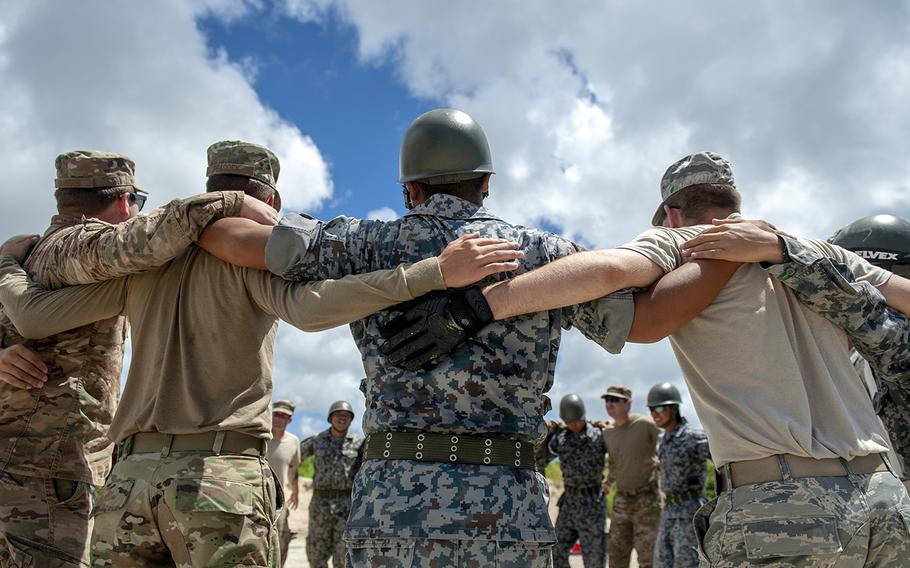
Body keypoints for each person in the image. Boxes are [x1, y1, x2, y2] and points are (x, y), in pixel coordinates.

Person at [196, 110, 745, 566]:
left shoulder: (362, 245)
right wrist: (721, 242)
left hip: (393, 503)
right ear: (486, 184)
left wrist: (215, 206)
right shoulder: (546, 257)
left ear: (409, 188)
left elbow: (244, 242)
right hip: (509, 507)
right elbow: (648, 322)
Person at [0, 140, 515, 567]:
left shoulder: (142, 264)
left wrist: (8, 266)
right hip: (216, 482)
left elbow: (35, 317)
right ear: (266, 196)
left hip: (128, 483)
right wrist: (434, 273)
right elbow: (313, 308)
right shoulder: (247, 258)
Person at [383, 150, 910, 564]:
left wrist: (478, 306)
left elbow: (611, 274)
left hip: (784, 505)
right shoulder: (807, 249)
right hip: (884, 497)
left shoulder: (687, 242)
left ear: (673, 212)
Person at [0, 149, 275, 566]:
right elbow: (146, 240)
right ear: (124, 201)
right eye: (137, 204)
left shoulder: (26, 257)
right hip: (50, 466)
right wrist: (231, 202)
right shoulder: (80, 248)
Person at [683, 214, 910, 491]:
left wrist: (778, 249)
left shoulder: (894, 342)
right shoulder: (855, 364)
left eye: (855, 274)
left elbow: (859, 309)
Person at [647, 382, 709, 568]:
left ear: (673, 408)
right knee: (661, 563)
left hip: (690, 513)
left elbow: (723, 462)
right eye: (651, 409)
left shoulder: (694, 437)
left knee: (687, 564)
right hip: (668, 512)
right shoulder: (663, 440)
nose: (654, 414)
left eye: (659, 408)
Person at [600, 385, 660, 568]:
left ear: (628, 404)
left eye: (615, 400)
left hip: (647, 499)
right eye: (607, 400)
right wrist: (608, 482)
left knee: (648, 556)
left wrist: (661, 460)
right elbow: (614, 463)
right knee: (616, 555)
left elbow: (667, 445)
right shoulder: (608, 433)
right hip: (621, 500)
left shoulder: (645, 424)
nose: (609, 404)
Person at [299, 400, 364, 568]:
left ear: (351, 420)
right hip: (320, 505)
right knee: (316, 554)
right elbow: (293, 457)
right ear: (330, 418)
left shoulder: (359, 444)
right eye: (338, 415)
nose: (342, 418)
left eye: (346, 416)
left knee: (343, 554)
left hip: (346, 506)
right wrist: (291, 481)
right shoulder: (317, 440)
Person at [548, 394, 607, 568]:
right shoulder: (560, 439)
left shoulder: (599, 436)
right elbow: (546, 438)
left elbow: (618, 452)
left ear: (583, 416)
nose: (573, 425)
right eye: (569, 422)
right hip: (569, 503)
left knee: (594, 559)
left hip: (593, 503)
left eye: (576, 421)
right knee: (556, 552)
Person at [267, 399, 301, 567]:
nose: (278, 419)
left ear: (290, 420)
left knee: (281, 540)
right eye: (276, 414)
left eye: (283, 416)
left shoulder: (293, 441)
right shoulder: (261, 436)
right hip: (258, 497)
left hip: (280, 501)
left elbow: (293, 469)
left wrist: (295, 492)